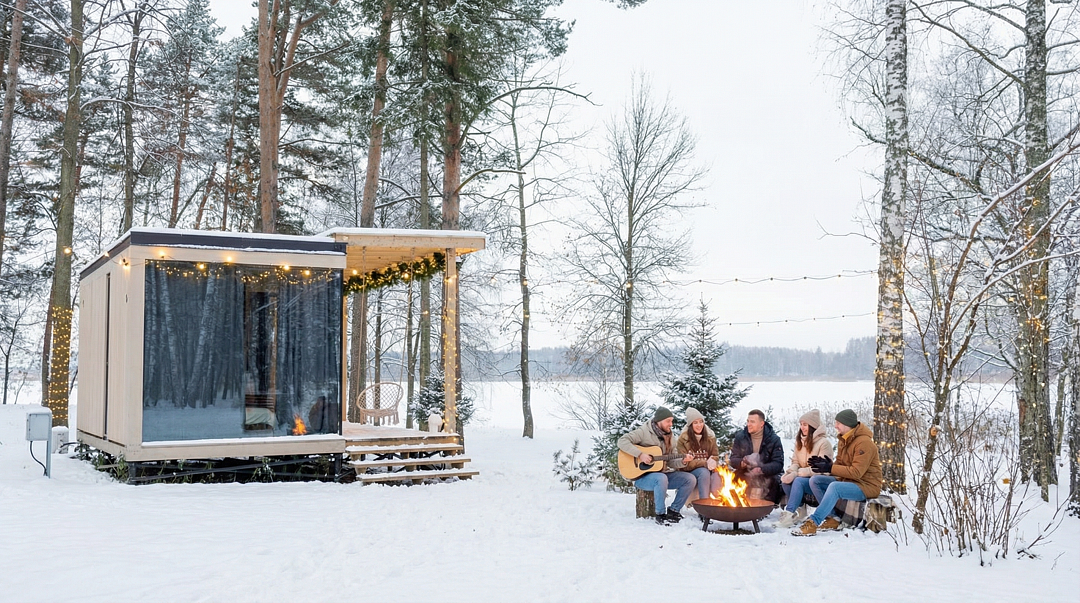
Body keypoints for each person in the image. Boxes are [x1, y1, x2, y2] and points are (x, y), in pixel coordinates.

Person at [794, 409, 883, 536]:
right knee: (816, 480)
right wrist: (824, 466)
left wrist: (830, 468)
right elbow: (839, 465)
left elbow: (857, 472)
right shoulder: (844, 440)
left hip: (866, 485)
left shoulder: (864, 443)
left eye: (838, 423)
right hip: (848, 481)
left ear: (847, 424)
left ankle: (814, 522)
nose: (835, 426)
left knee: (835, 487)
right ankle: (833, 518)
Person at [618, 407, 696, 524]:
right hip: (642, 478)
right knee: (661, 478)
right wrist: (640, 455)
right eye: (668, 421)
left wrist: (684, 461)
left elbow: (671, 462)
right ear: (659, 421)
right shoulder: (644, 432)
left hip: (661, 474)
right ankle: (660, 514)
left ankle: (674, 511)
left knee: (690, 479)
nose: (671, 424)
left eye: (672, 420)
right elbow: (622, 441)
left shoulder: (670, 437)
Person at [777, 409, 833, 528]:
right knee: (786, 482)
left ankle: (788, 514)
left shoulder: (824, 443)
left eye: (805, 425)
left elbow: (823, 467)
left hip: (819, 480)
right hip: (802, 478)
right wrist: (792, 472)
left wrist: (803, 472)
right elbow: (795, 461)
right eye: (801, 424)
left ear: (812, 426)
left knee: (798, 480)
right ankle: (801, 511)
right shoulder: (800, 442)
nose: (802, 427)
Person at [728, 409, 784, 504]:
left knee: (773, 480)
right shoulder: (741, 437)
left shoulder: (774, 439)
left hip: (767, 472)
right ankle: (740, 503)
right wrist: (741, 463)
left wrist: (761, 469)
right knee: (735, 478)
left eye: (752, 422)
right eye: (748, 421)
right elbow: (733, 459)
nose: (749, 424)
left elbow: (778, 463)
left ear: (762, 424)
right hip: (746, 471)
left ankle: (766, 506)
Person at [677, 407, 722, 504]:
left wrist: (713, 460)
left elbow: (715, 455)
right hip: (690, 471)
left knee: (720, 474)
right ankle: (704, 504)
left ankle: (722, 502)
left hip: (708, 468)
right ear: (690, 425)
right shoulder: (683, 440)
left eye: (701, 422)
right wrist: (704, 463)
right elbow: (684, 464)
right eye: (695, 423)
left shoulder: (710, 437)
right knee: (703, 472)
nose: (699, 425)